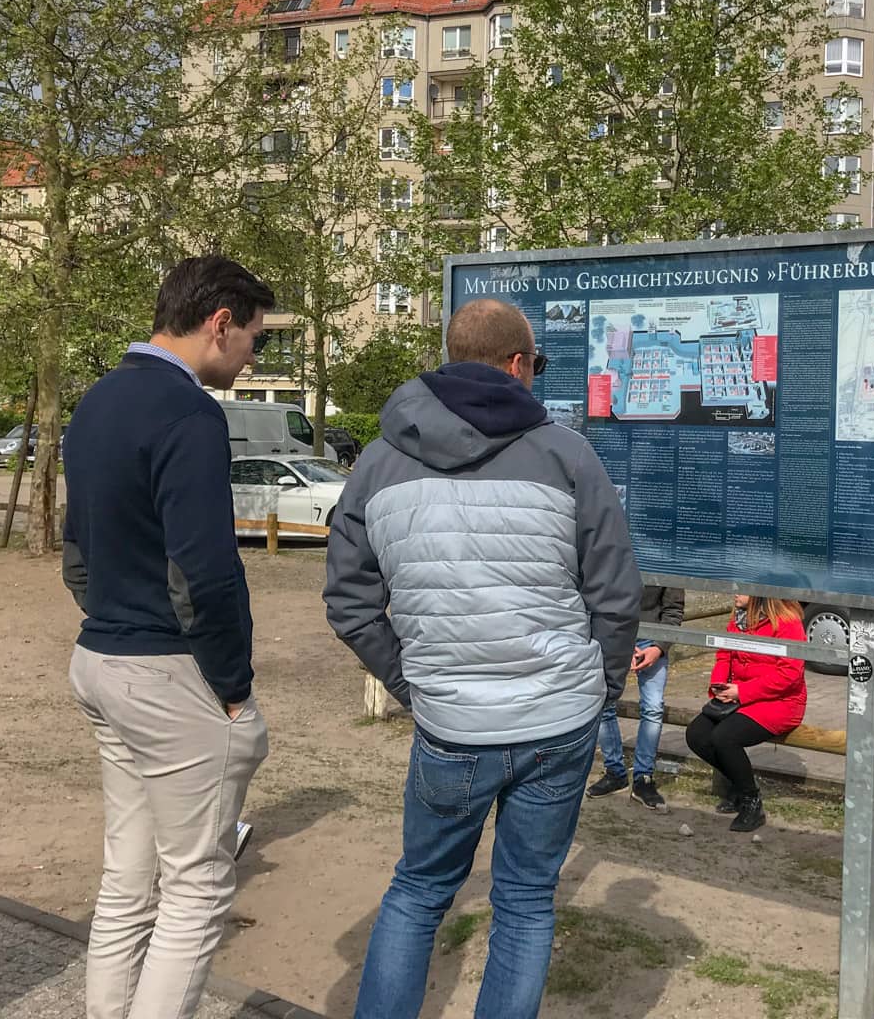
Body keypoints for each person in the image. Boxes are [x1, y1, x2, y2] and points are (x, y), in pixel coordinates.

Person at [324, 297, 640, 1019]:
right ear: (518, 364)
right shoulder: (566, 455)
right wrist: (601, 691)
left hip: (451, 726)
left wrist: (416, 684)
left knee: (419, 890)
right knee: (526, 902)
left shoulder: (377, 464)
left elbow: (348, 604)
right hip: (557, 718)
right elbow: (617, 595)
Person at [62, 255, 274, 1019]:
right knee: (196, 888)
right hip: (166, 672)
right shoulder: (189, 413)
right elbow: (205, 572)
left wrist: (112, 617)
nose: (254, 357)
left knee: (127, 881)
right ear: (219, 323)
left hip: (100, 657)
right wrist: (233, 687)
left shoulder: (96, 402)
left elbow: (76, 551)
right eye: (253, 337)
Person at [685, 595, 807, 834]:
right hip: (738, 695)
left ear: (759, 593)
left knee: (724, 737)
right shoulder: (738, 619)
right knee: (696, 734)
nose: (735, 593)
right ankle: (740, 784)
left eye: (742, 589)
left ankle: (751, 801)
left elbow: (789, 675)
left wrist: (742, 691)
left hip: (780, 701)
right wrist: (719, 686)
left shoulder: (787, 622)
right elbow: (724, 656)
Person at [587, 586, 685, 809]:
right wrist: (619, 642)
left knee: (652, 708)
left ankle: (643, 777)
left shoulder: (666, 555)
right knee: (604, 703)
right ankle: (615, 771)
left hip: (652, 639)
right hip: (614, 636)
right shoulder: (612, 552)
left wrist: (658, 648)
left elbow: (674, 610)